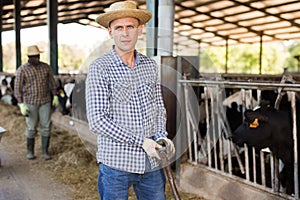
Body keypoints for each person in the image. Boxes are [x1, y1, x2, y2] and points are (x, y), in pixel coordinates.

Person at [85, 1, 176, 199]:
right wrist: (141, 142)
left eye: (130, 27)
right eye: (119, 27)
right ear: (110, 32)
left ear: (140, 29)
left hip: (150, 162)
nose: (125, 33)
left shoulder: (149, 65)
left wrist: (161, 136)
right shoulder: (100, 68)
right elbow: (98, 120)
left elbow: (158, 107)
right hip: (117, 164)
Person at [14, 45, 59, 160]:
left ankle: (45, 152)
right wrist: (21, 104)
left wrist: (55, 96)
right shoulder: (22, 70)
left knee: (46, 126)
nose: (37, 59)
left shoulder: (46, 67)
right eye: (34, 57)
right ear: (29, 57)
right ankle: (30, 151)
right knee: (31, 128)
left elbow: (52, 83)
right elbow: (17, 89)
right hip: (30, 102)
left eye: (38, 56)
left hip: (45, 101)